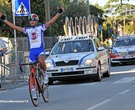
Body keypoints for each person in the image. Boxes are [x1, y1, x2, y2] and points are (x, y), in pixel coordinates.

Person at [0, 7, 64, 98]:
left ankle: (45, 75)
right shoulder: (27, 30)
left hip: (40, 49)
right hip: (32, 51)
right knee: (32, 70)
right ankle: (34, 89)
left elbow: (50, 22)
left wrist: (58, 13)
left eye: (34, 20)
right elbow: (15, 27)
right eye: (30, 20)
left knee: (42, 61)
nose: (32, 21)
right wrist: (4, 19)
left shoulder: (40, 28)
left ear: (36, 21)